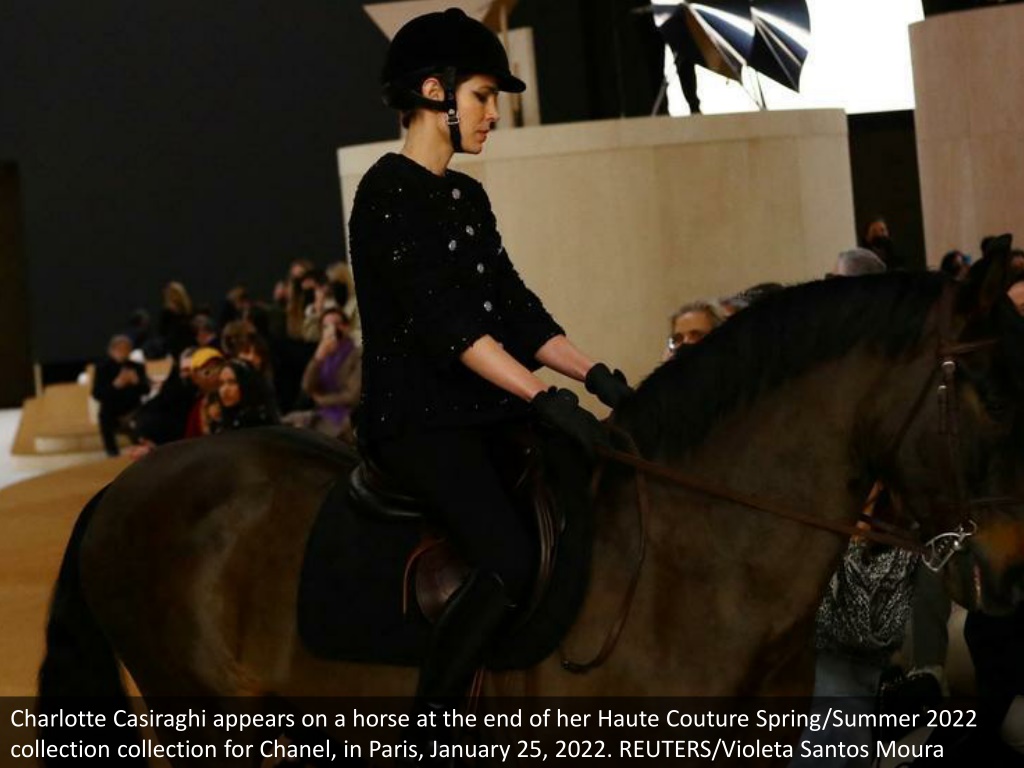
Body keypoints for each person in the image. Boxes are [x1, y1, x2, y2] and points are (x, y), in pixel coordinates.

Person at [348, 7, 632, 757]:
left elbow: (512, 307)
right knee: (509, 557)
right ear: (434, 92)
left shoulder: (466, 197)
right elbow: (449, 327)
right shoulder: (386, 191)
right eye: (482, 96)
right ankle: (430, 730)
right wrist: (542, 397)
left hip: (482, 409)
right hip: (416, 421)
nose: (493, 115)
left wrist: (594, 373)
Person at [283, 308, 361, 441]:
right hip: (321, 413)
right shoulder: (324, 353)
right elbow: (307, 386)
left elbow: (352, 397)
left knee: (300, 438)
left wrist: (321, 400)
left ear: (347, 327)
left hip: (346, 417)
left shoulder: (357, 354)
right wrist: (318, 357)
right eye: (326, 326)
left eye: (337, 324)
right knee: (282, 425)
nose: (333, 330)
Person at [92, 334, 150, 456]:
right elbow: (97, 394)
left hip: (133, 409)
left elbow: (146, 390)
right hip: (111, 411)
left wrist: (136, 382)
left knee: (143, 418)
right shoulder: (102, 368)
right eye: (119, 349)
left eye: (126, 349)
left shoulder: (137, 367)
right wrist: (116, 385)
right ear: (111, 350)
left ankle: (142, 450)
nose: (123, 352)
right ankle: (112, 453)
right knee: (104, 417)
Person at [210, 360, 279, 432]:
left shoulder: (260, 421)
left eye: (232, 382)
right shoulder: (221, 421)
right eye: (221, 383)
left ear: (246, 385)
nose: (224, 390)